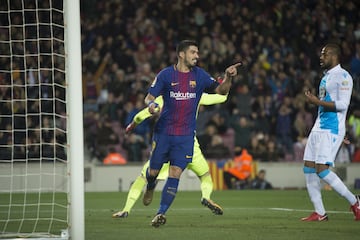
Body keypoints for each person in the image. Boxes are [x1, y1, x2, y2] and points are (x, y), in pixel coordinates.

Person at [143, 40, 241, 227]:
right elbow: (149, 97)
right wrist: (152, 105)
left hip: (186, 136)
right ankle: (150, 184)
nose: (197, 56)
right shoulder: (165, 75)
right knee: (153, 172)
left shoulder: (200, 75)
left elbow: (220, 91)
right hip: (164, 133)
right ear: (181, 54)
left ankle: (160, 213)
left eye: (197, 52)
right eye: (193, 52)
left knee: (175, 173)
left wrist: (228, 77)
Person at [112, 93, 228, 218]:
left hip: (168, 145)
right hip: (190, 145)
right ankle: (206, 196)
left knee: (143, 178)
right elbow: (222, 97)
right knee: (205, 176)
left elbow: (142, 115)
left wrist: (131, 125)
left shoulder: (164, 98)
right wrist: (228, 81)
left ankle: (126, 209)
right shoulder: (195, 94)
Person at [301, 43, 360, 221]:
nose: (321, 57)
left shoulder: (343, 77)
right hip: (319, 128)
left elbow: (343, 105)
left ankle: (355, 201)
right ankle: (319, 212)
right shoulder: (327, 76)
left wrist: (316, 102)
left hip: (331, 129)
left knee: (322, 170)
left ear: (334, 56)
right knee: (308, 168)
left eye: (324, 54)